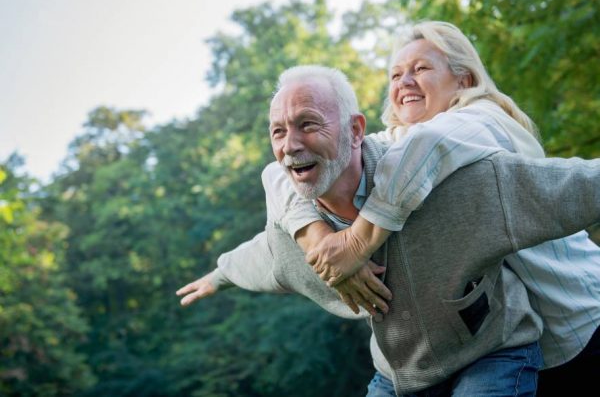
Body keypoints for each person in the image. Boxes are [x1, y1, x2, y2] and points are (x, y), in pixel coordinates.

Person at [177, 65, 600, 396]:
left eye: (308, 124)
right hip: (402, 375)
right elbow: (259, 257)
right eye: (278, 131)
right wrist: (220, 274)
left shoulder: (455, 187)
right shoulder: (299, 238)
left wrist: (360, 241)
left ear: (355, 130)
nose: (290, 144)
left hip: (493, 354)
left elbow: (568, 187)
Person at [292, 22, 600, 395]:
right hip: (524, 344)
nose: (404, 81)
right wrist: (316, 239)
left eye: (420, 69)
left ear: (464, 81)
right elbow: (288, 171)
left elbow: (429, 145)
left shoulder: (484, 121)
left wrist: (354, 245)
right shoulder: (403, 142)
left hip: (580, 319)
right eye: (395, 74)